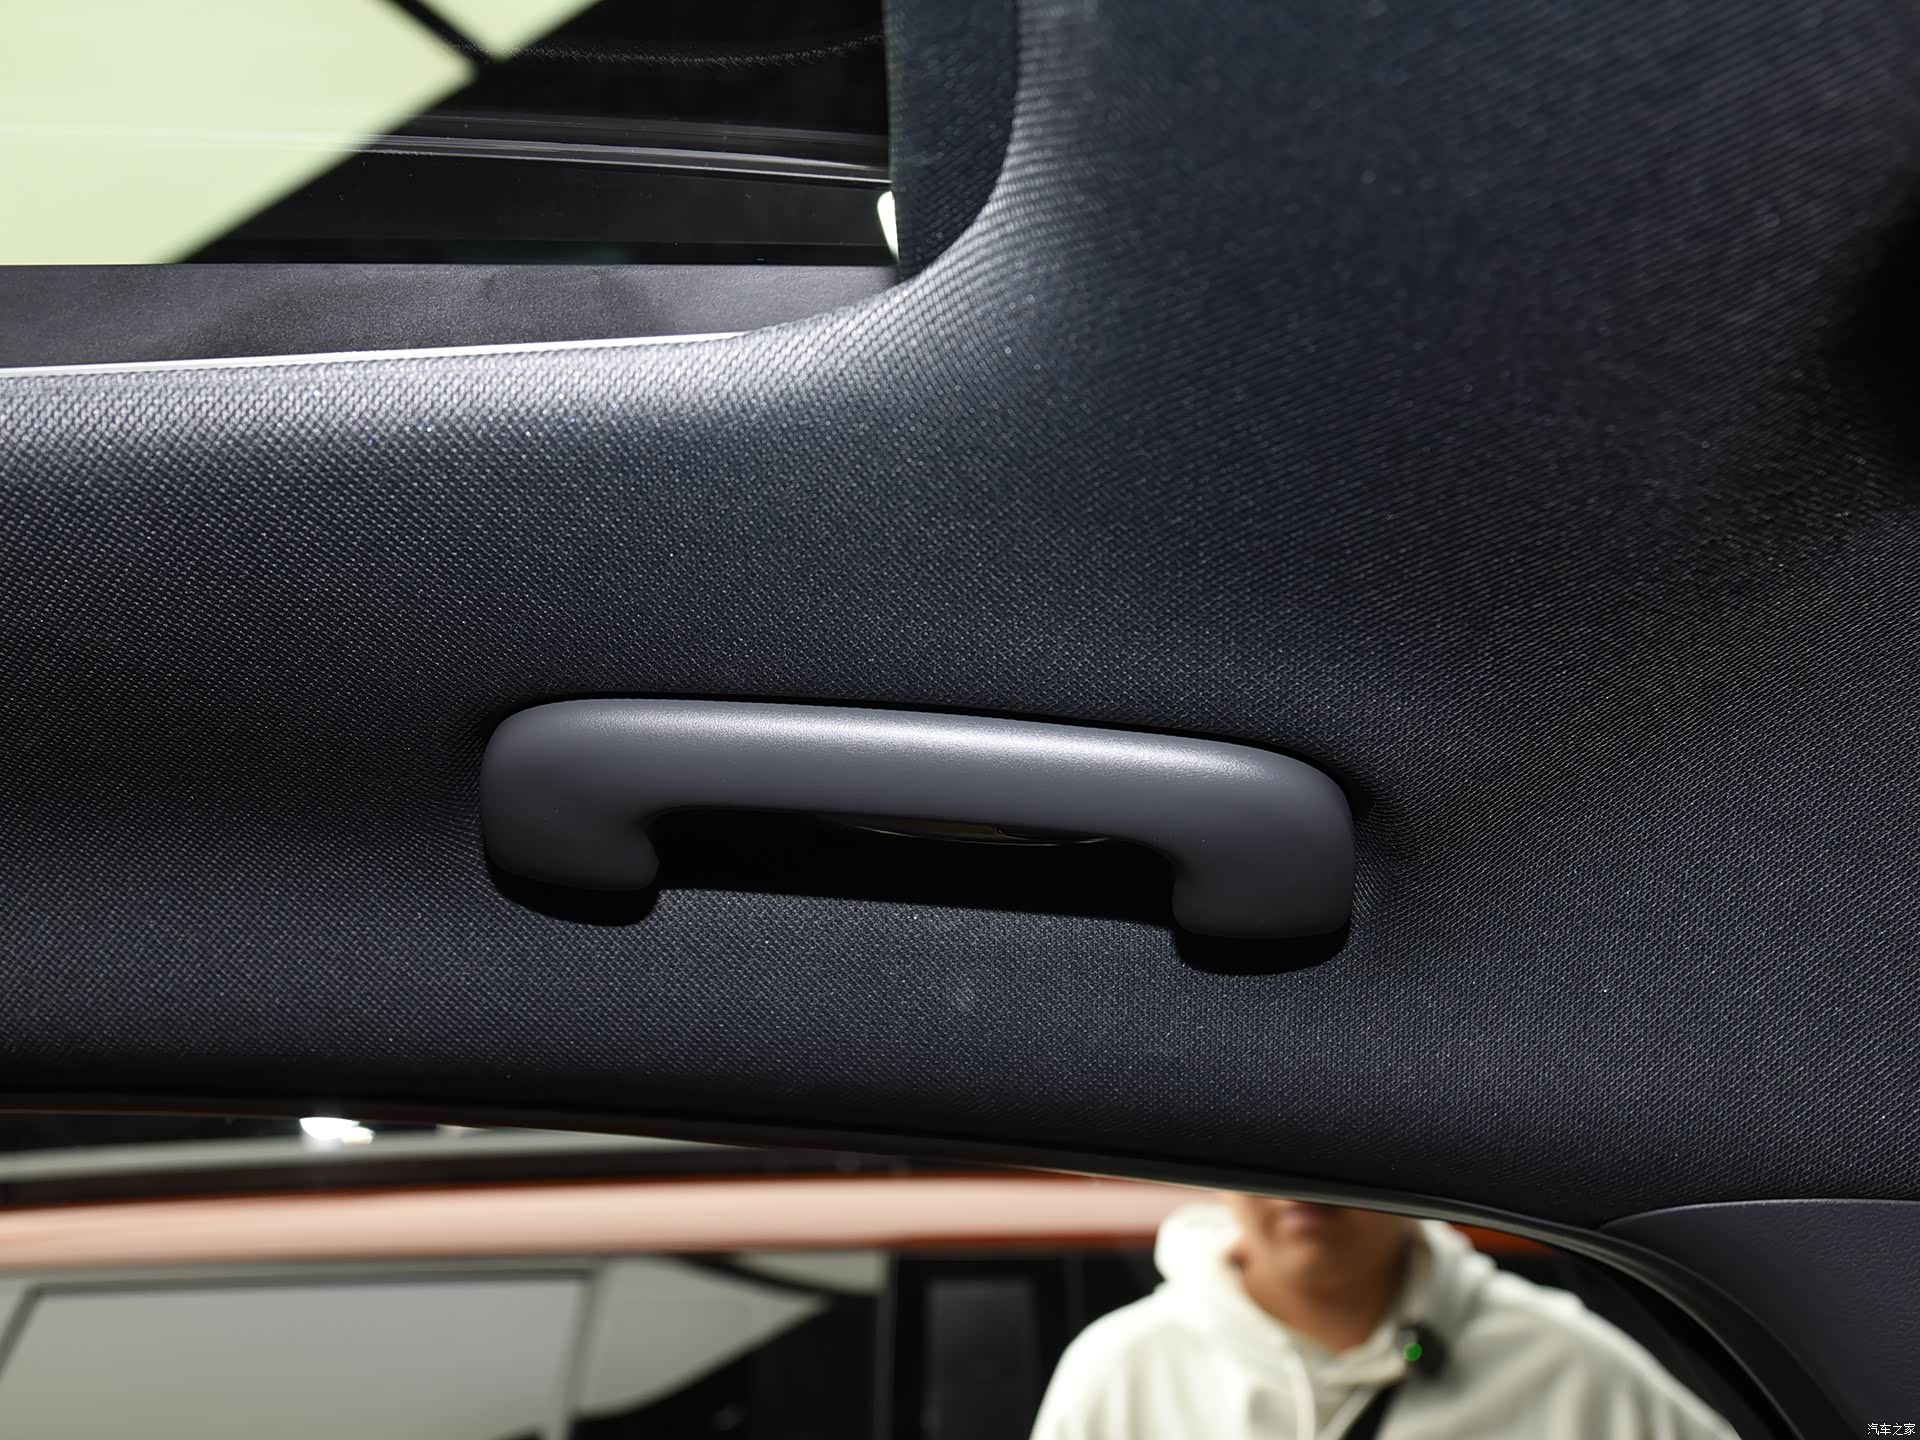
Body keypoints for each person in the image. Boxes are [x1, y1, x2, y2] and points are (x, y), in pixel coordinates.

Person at [1029, 1195, 1738, 1439]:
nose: (1302, 1178)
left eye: (1338, 1127)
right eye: (1265, 1129)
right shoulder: (1122, 1370)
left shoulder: (1570, 1367)